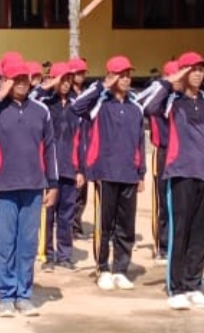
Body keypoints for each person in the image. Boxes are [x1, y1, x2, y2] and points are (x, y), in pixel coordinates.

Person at [0, 59, 58, 317]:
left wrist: (53, 183)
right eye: (15, 80)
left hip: (33, 185)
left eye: (25, 80)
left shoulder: (41, 111)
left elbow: (50, 149)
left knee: (28, 243)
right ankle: (6, 295)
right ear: (5, 81)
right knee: (5, 243)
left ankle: (23, 295)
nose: (22, 84)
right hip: (1, 186)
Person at [145, 52, 204, 311]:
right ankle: (177, 288)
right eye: (193, 69)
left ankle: (194, 285)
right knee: (180, 231)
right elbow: (146, 106)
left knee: (200, 233)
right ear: (182, 73)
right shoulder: (171, 101)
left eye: (201, 70)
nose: (199, 74)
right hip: (180, 173)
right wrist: (172, 81)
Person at [71, 55, 146, 291]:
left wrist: (141, 172)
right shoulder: (99, 103)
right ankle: (102, 267)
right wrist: (101, 86)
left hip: (129, 173)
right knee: (105, 224)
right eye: (119, 75)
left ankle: (120, 268)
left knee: (126, 223)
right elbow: (77, 106)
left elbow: (140, 142)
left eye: (127, 75)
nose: (125, 79)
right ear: (111, 76)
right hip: (105, 172)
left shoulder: (135, 106)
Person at [37, 61, 85, 271]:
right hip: (48, 169)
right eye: (61, 80)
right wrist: (48, 85)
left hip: (70, 167)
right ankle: (46, 255)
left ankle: (64, 255)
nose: (65, 84)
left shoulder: (76, 104)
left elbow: (82, 139)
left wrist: (81, 169)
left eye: (68, 80)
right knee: (47, 216)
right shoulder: (44, 102)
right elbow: (33, 97)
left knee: (67, 214)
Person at [137, 59, 180, 262]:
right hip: (162, 152)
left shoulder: (184, 96)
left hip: (182, 154)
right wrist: (165, 86)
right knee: (162, 201)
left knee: (180, 201)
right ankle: (162, 245)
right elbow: (142, 104)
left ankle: (177, 243)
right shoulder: (158, 94)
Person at [68, 56, 89, 239]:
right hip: (72, 143)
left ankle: (77, 223)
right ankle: (70, 226)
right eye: (78, 73)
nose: (81, 76)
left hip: (85, 143)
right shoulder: (68, 95)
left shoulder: (85, 93)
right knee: (73, 191)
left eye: (83, 73)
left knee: (83, 192)